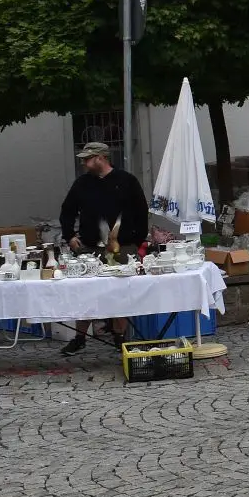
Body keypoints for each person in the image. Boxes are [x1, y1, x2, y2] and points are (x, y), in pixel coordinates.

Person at [58, 142, 150, 356]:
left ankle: (120, 337)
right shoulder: (82, 184)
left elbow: (141, 211)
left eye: (87, 159)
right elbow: (67, 211)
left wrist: (136, 241)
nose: (83, 163)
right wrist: (69, 235)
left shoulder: (127, 181)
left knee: (121, 292)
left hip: (123, 247)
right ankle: (80, 337)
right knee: (86, 293)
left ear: (100, 158)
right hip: (89, 248)